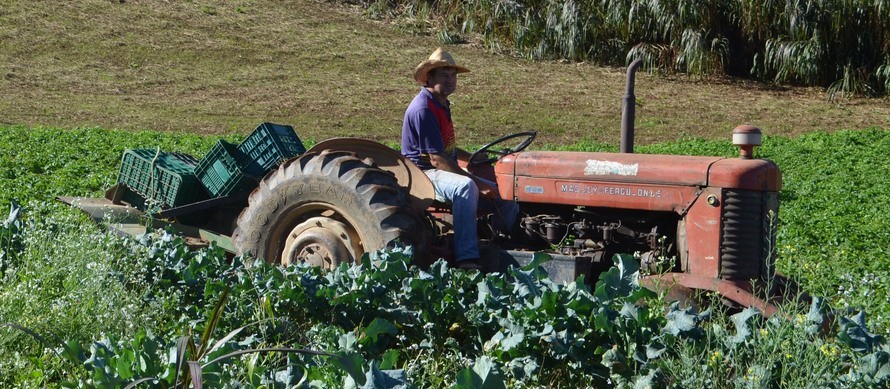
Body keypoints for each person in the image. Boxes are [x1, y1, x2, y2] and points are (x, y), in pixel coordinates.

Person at [401, 47, 519, 270]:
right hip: (423, 174)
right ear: (429, 77)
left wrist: (472, 157)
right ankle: (467, 258)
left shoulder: (441, 104)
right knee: (465, 187)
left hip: (439, 169)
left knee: (506, 192)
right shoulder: (423, 109)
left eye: (453, 75)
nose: (450, 80)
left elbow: (446, 149)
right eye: (444, 75)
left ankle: (501, 245)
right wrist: (477, 182)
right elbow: (436, 159)